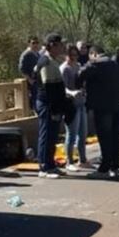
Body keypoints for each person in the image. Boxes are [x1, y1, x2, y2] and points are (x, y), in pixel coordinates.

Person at [79, 45, 119, 178]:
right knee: (116, 137)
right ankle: (115, 165)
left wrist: (90, 62)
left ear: (93, 54)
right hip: (118, 106)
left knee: (105, 137)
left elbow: (80, 75)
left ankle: (104, 168)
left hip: (103, 107)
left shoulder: (96, 65)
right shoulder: (115, 64)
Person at [34, 34, 68, 178]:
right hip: (47, 104)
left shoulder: (53, 60)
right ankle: (44, 167)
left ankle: (51, 164)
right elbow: (48, 88)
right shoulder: (45, 61)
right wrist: (54, 108)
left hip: (53, 104)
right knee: (46, 134)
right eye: (60, 44)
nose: (62, 47)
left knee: (53, 135)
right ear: (52, 45)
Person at [61, 45, 89, 171]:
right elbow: (63, 88)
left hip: (81, 102)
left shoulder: (78, 66)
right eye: (71, 55)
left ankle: (82, 159)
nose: (73, 58)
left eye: (75, 55)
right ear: (66, 55)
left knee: (83, 134)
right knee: (71, 134)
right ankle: (69, 161)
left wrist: (84, 89)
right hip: (70, 105)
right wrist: (72, 93)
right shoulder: (64, 69)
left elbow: (82, 82)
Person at [19, 36, 41, 111]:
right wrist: (29, 79)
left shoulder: (38, 54)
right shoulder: (26, 54)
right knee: (34, 101)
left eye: (37, 43)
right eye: (33, 43)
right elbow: (21, 69)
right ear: (29, 44)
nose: (35, 45)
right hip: (31, 82)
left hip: (38, 81)